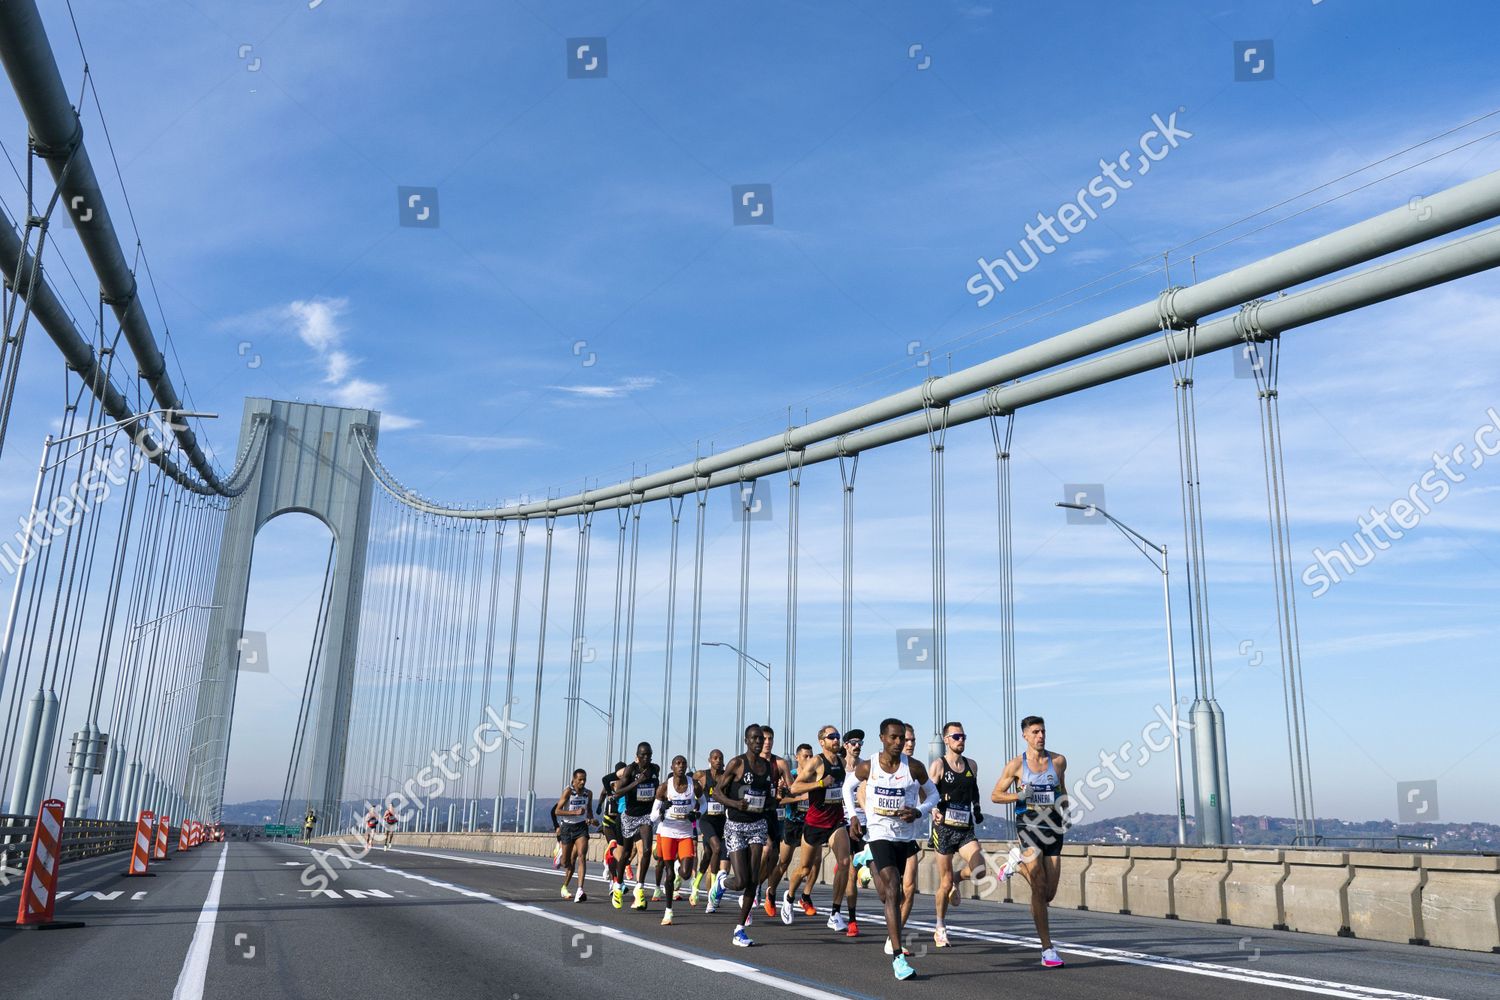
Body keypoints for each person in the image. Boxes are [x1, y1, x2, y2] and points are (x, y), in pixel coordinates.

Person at [855, 718, 937, 981]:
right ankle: (898, 957)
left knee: (884, 894)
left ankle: (867, 860)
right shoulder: (869, 765)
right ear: (882, 738)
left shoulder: (913, 767)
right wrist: (854, 817)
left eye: (902, 737)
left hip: (904, 837)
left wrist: (918, 811)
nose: (899, 742)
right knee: (893, 891)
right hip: (878, 833)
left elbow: (934, 795)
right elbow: (848, 787)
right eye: (893, 737)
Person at [992, 714, 1068, 969]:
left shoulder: (1058, 762)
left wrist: (1065, 811)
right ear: (1025, 735)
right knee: (1038, 885)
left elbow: (1063, 791)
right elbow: (995, 795)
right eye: (1035, 732)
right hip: (1029, 826)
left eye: (1043, 731)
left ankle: (1015, 863)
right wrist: (1020, 794)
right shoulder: (1016, 766)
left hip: (1054, 828)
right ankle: (1047, 949)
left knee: (1048, 894)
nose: (1040, 736)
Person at [929, 721, 994, 947]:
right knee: (944, 884)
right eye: (956, 737)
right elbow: (927, 794)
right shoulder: (938, 766)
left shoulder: (972, 765)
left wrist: (977, 810)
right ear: (946, 740)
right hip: (944, 829)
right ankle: (940, 927)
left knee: (979, 869)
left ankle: (959, 877)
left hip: (965, 828)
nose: (961, 740)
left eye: (963, 736)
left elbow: (974, 790)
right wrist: (933, 810)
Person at [709, 723, 775, 947]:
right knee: (740, 881)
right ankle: (721, 883)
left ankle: (739, 930)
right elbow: (717, 792)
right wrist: (735, 803)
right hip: (736, 826)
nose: (758, 742)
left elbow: (767, 798)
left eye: (761, 738)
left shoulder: (767, 767)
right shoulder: (737, 763)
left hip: (757, 825)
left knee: (754, 880)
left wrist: (781, 796)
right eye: (754, 738)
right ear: (746, 741)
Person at [786, 724, 853, 931]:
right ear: (821, 742)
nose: (835, 739)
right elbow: (795, 787)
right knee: (805, 869)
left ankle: (834, 913)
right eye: (831, 736)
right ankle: (789, 898)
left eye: (837, 736)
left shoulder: (842, 762)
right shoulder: (816, 762)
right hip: (815, 823)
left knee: (845, 862)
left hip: (835, 821)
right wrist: (820, 784)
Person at [765, 743, 813, 922]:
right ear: (797, 757)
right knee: (784, 862)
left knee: (814, 862)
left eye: (811, 756)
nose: (809, 759)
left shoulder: (816, 776)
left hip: (810, 824)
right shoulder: (790, 775)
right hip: (791, 823)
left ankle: (804, 896)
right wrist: (801, 797)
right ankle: (771, 892)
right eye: (805, 756)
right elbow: (779, 799)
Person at [650, 755, 701, 925]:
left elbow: (704, 803)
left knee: (686, 873)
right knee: (669, 874)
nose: (681, 766)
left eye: (683, 763)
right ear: (672, 767)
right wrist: (662, 809)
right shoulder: (664, 787)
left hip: (685, 832)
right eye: (677, 763)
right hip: (668, 832)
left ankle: (680, 868)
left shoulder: (693, 785)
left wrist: (697, 813)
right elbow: (652, 816)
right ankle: (668, 911)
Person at [612, 743, 660, 910]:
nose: (646, 758)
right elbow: (618, 793)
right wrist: (637, 782)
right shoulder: (630, 770)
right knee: (625, 853)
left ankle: (639, 887)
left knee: (646, 850)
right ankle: (618, 885)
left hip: (646, 815)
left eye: (649, 754)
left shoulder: (655, 769)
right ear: (637, 756)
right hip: (630, 816)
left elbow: (656, 791)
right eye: (643, 755)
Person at [756, 724, 794, 912]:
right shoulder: (751, 762)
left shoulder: (780, 764)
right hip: (755, 815)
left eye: (770, 739)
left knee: (775, 857)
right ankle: (754, 884)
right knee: (767, 849)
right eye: (764, 739)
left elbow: (792, 788)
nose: (768, 742)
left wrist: (784, 790)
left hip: (772, 814)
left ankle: (758, 885)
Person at [692, 749, 728, 911]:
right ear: (710, 760)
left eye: (720, 758)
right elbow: (686, 783)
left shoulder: (727, 776)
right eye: (715, 758)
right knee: (717, 848)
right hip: (706, 820)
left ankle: (697, 882)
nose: (718, 760)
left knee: (708, 855)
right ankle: (712, 894)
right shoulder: (702, 775)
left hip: (721, 820)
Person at [556, 769, 596, 902]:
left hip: (581, 827)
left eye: (584, 779)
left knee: (581, 856)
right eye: (580, 779)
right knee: (566, 863)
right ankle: (561, 854)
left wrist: (591, 819)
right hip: (567, 827)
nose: (582, 782)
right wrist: (574, 813)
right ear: (574, 780)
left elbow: (589, 811)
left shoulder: (588, 793)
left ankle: (580, 890)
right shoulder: (568, 791)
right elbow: (557, 811)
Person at [600, 762, 626, 901]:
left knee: (621, 854)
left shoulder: (628, 784)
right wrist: (600, 807)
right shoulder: (610, 785)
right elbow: (602, 794)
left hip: (621, 823)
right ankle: (613, 881)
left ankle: (618, 876)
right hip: (609, 823)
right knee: (614, 846)